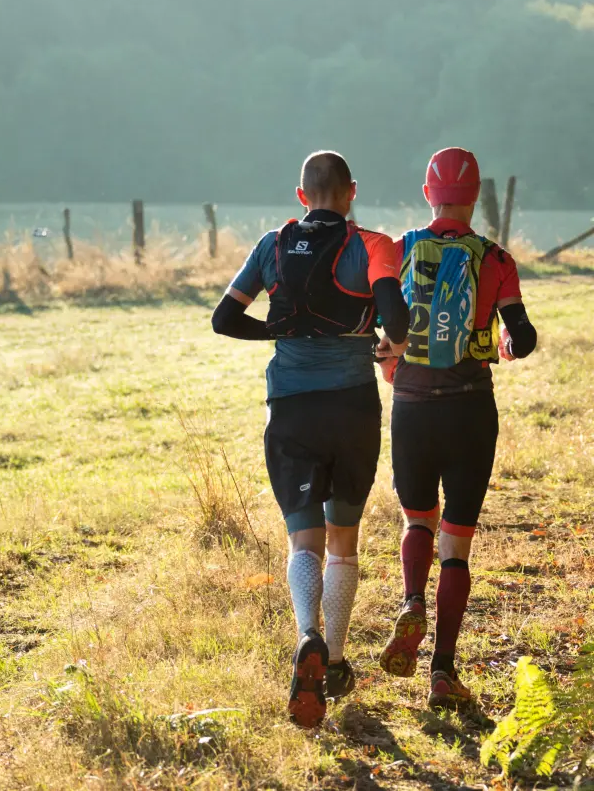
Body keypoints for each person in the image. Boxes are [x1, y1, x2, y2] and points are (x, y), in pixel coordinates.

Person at [212, 151, 409, 728]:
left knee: (305, 541)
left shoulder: (273, 244)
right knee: (344, 541)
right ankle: (339, 659)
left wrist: (274, 331)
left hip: (291, 408)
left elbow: (225, 319)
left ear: (302, 196)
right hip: (351, 407)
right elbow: (395, 319)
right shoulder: (374, 244)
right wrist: (390, 346)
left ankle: (307, 637)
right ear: (351, 193)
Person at [376, 147, 538, 709]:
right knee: (457, 545)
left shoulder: (399, 250)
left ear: (428, 193)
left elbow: (377, 322)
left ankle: (412, 602)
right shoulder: (496, 258)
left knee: (417, 518)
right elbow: (523, 334)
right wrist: (509, 343)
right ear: (474, 199)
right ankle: (443, 670)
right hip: (472, 410)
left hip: (413, 406)